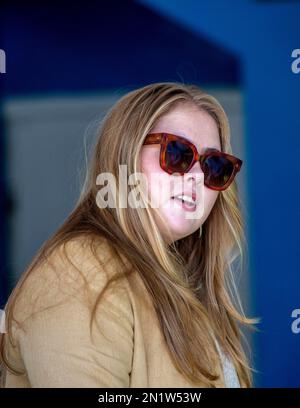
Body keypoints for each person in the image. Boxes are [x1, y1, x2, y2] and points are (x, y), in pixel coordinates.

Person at [0, 82, 258, 388]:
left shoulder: (184, 284)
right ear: (125, 155)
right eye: (177, 153)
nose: (197, 177)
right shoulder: (77, 275)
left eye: (215, 165)